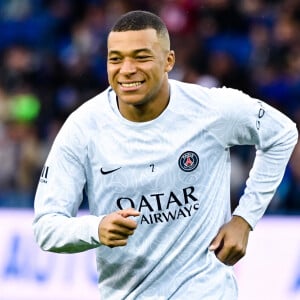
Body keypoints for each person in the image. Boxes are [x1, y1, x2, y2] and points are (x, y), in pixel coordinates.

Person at [33, 10, 298, 300]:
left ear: (168, 61)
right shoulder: (84, 127)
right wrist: (95, 228)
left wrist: (244, 219)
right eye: (116, 58)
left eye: (141, 57)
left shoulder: (211, 109)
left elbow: (282, 133)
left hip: (207, 290)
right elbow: (47, 226)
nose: (127, 69)